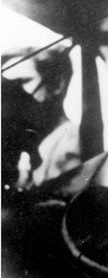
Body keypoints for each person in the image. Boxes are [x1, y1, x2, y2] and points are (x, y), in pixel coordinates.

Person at [2, 46, 81, 188]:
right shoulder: (24, 142)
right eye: (6, 86)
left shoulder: (73, 141)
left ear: (57, 85)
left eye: (23, 82)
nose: (12, 93)